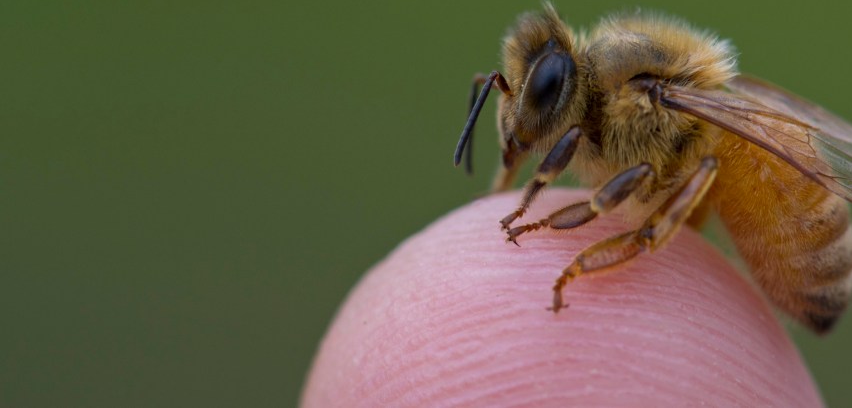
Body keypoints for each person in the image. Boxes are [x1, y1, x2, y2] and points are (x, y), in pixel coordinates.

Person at [302, 189, 822, 407]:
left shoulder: (645, 98)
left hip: (796, 220)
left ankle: (633, 245)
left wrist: (548, 227)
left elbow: (611, 191)